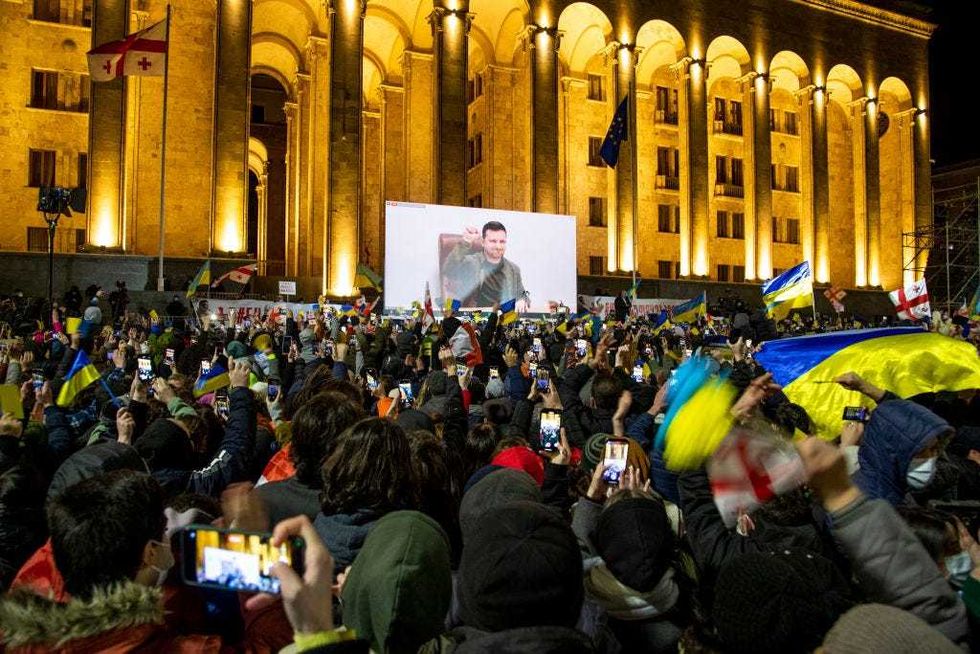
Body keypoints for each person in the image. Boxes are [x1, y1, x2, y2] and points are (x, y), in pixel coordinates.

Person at [444, 221, 526, 310]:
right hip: (478, 317)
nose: (498, 246)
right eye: (493, 241)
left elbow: (522, 294)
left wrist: (522, 300)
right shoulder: (472, 263)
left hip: (504, 318)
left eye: (502, 242)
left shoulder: (513, 269)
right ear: (483, 242)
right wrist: (466, 242)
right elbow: (448, 270)